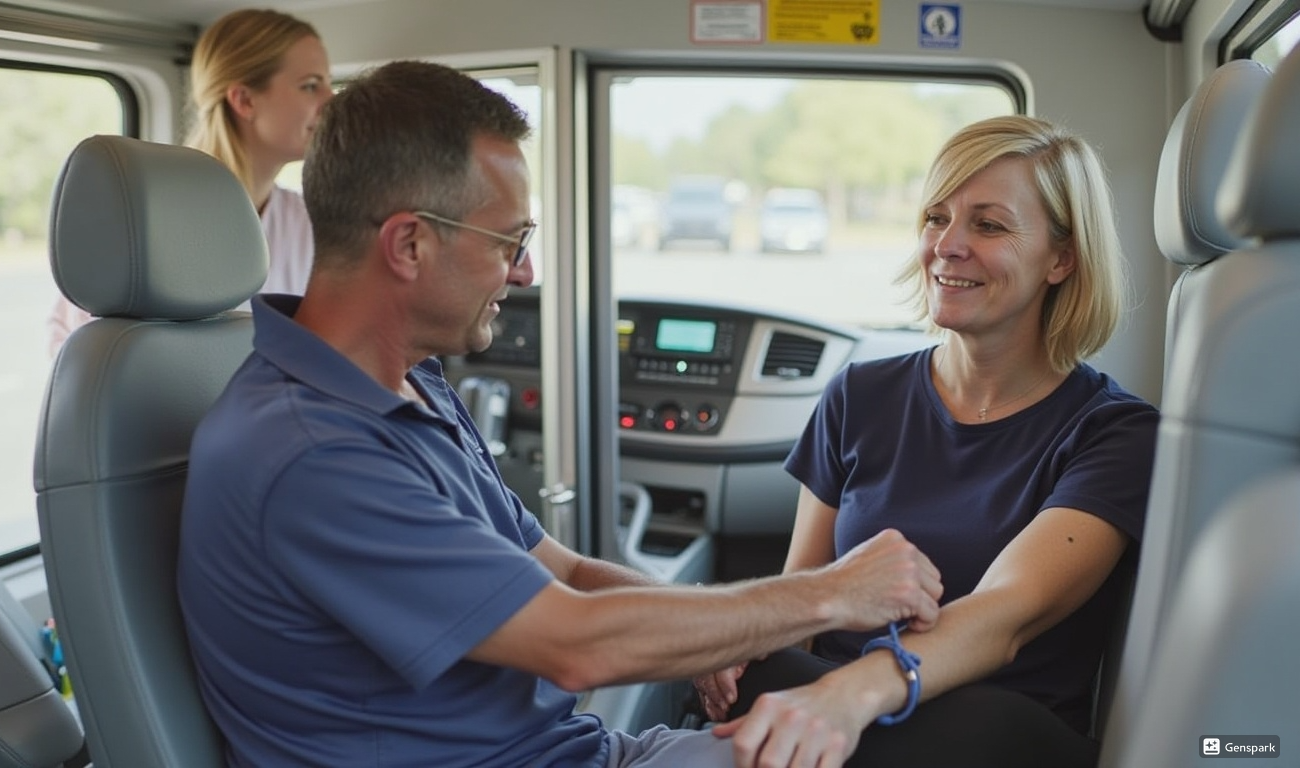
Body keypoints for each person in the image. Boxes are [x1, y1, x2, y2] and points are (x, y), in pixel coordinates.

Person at [176, 60, 944, 768]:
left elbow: (567, 573)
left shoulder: (409, 384)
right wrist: (832, 591)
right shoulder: (311, 451)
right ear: (408, 244)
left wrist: (706, 632)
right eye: (509, 239)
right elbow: (576, 647)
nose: (525, 270)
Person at [694, 115, 1160, 767]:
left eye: (988, 224)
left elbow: (1004, 617)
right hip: (832, 711)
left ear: (1063, 257)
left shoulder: (1115, 433)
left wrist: (847, 695)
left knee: (974, 723)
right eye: (936, 217)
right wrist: (743, 637)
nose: (947, 245)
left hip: (984, 732)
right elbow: (802, 589)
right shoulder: (859, 394)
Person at [46, 8, 332, 353]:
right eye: (311, 86)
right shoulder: (146, 217)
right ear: (244, 100)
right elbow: (81, 350)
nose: (330, 101)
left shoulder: (309, 222)